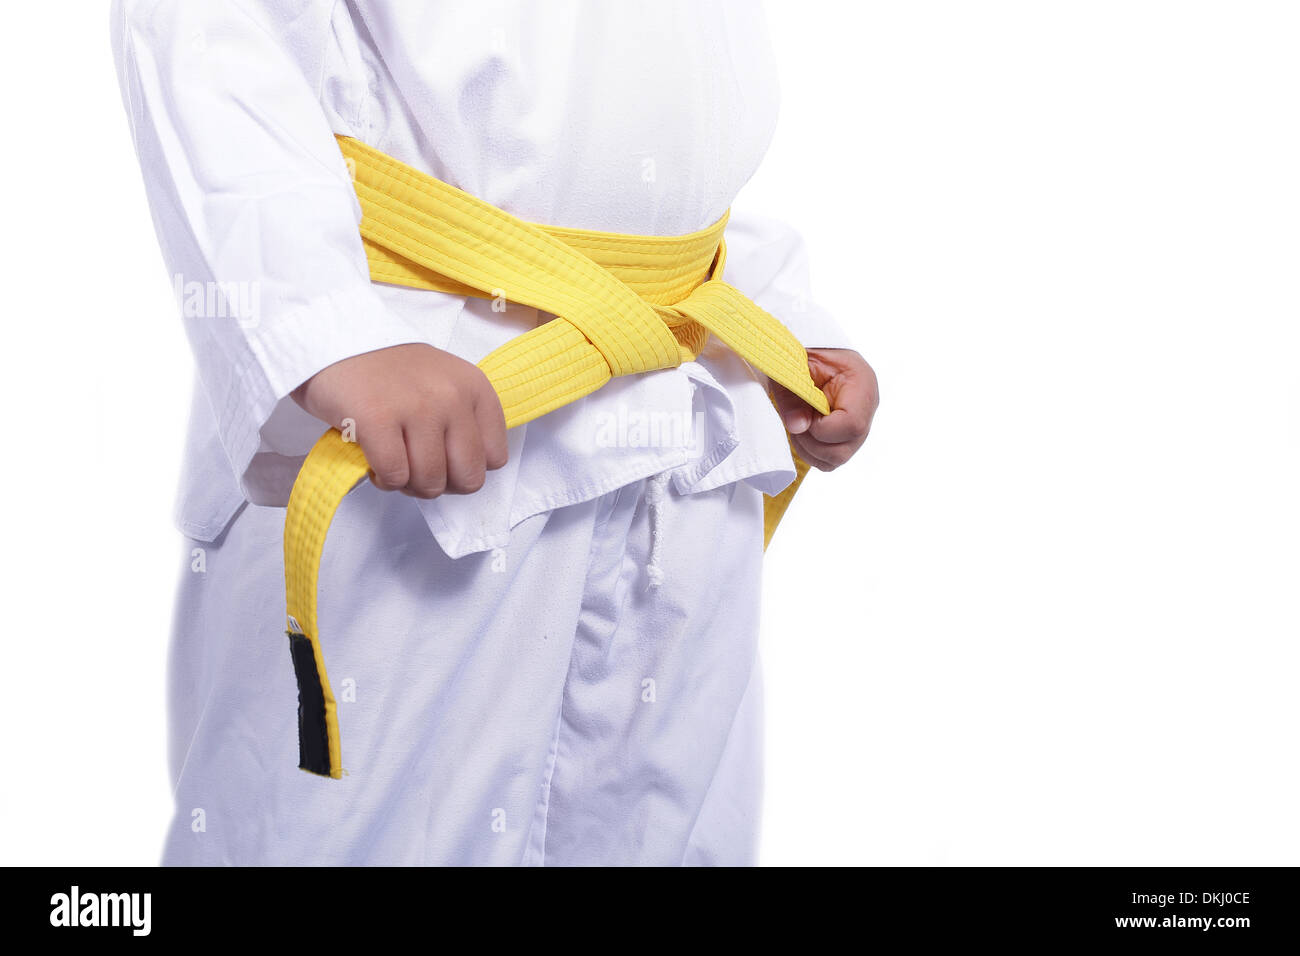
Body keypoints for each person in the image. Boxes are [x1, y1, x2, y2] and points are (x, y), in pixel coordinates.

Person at [111, 0, 879, 866]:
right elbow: (214, 32)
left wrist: (774, 318)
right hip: (426, 424)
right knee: (353, 836)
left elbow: (669, 125)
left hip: (673, 422)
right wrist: (328, 334)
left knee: (664, 833)